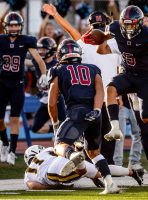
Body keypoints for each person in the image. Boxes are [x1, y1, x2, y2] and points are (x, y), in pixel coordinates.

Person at [82, 6, 148, 158]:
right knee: (110, 89)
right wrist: (101, 38)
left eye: (132, 24)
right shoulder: (115, 28)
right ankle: (115, 127)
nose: (129, 28)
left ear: (140, 24)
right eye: (126, 24)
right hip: (127, 74)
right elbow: (102, 46)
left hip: (145, 78)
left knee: (146, 117)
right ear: (121, 23)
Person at [42, 4, 120, 165]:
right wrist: (56, 15)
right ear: (90, 27)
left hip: (106, 97)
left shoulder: (114, 45)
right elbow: (70, 30)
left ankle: (106, 168)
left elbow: (121, 69)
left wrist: (121, 93)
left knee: (108, 137)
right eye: (96, 26)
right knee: (94, 139)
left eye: (101, 26)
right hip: (94, 99)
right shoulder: (84, 44)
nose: (98, 30)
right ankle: (97, 169)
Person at [48, 39, 120, 194]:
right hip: (95, 113)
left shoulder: (58, 70)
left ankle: (74, 155)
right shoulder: (93, 68)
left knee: (60, 144)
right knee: (94, 151)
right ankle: (110, 183)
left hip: (76, 112)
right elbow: (100, 89)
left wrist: (55, 122)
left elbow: (52, 102)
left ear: (60, 54)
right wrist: (97, 110)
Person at [0, 12, 48, 165]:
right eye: (11, 25)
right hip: (1, 83)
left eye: (16, 25)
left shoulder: (27, 40)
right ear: (6, 26)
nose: (14, 28)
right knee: (0, 119)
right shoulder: (1, 40)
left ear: (20, 26)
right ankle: (4, 143)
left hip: (17, 85)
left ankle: (12, 151)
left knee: (15, 118)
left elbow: (38, 59)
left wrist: (44, 74)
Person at [24, 145, 144, 190]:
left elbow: (33, 185)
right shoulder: (47, 151)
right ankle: (131, 172)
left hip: (51, 172)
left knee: (67, 177)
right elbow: (60, 150)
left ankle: (78, 161)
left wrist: (54, 185)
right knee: (99, 171)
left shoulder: (28, 172)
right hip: (61, 159)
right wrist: (93, 178)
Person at [30, 37, 66, 134]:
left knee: (64, 125)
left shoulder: (58, 65)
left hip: (58, 101)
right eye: (39, 49)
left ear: (51, 50)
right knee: (35, 128)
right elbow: (26, 61)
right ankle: (55, 130)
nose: (41, 51)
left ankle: (59, 132)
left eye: (44, 49)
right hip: (45, 101)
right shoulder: (37, 63)